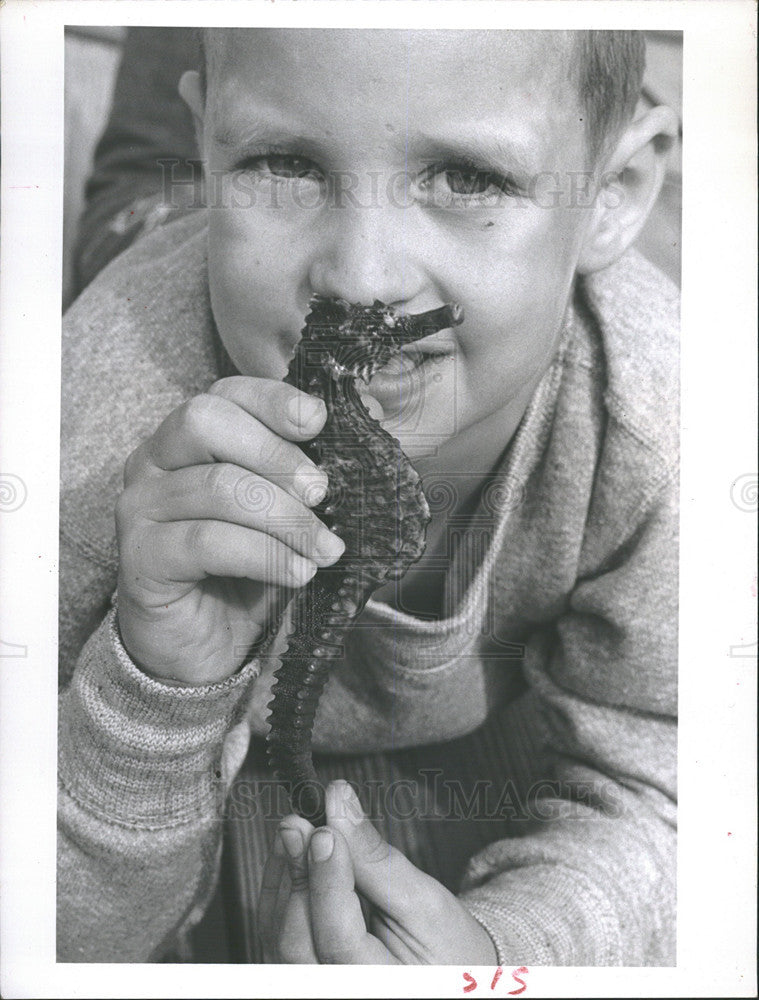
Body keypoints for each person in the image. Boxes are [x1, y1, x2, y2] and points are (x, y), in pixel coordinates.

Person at [58, 28, 679, 965]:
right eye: (285, 161)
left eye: (468, 176)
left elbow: (680, 784)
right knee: (144, 186)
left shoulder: (661, 426)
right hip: (159, 228)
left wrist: (514, 947)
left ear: (615, 195)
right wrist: (148, 701)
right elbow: (54, 928)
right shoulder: (88, 425)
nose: (360, 274)